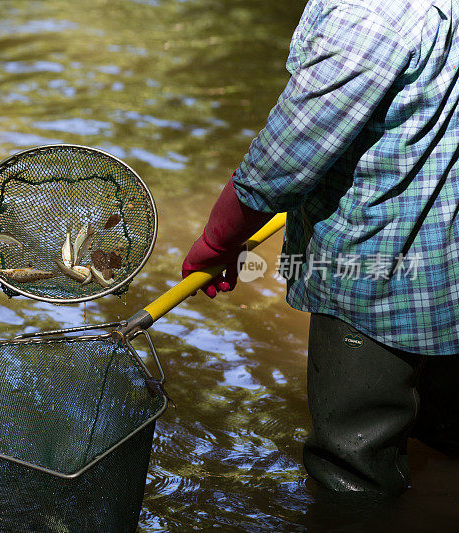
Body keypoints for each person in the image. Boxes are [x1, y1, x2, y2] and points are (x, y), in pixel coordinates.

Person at [182, 0, 459, 495]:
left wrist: (215, 242)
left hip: (377, 276)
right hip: (447, 268)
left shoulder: (369, 13)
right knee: (444, 432)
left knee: (353, 468)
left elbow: (281, 161)